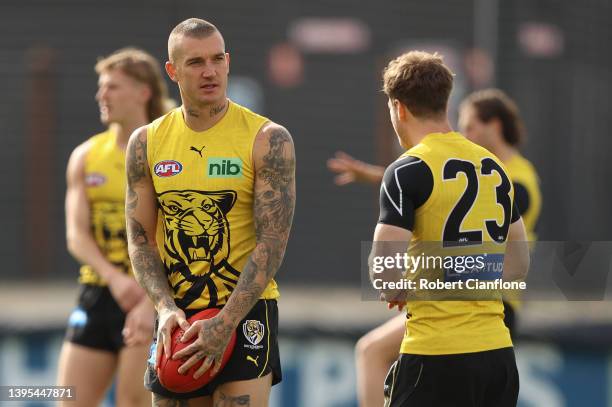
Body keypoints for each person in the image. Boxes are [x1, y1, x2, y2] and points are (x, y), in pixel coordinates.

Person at [330, 88, 541, 407]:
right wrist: (381, 178)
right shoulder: (492, 171)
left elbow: (482, 247)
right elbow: (439, 189)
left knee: (371, 352)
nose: (464, 133)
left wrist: (417, 283)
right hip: (487, 328)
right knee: (372, 351)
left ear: (494, 126)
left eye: (470, 126)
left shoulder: (515, 179)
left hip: (485, 308)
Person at [125, 18, 295, 406]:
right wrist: (165, 308)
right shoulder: (146, 143)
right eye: (196, 62)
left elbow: (273, 241)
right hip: (178, 317)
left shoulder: (268, 139)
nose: (210, 71)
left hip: (246, 311)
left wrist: (227, 322)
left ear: (229, 62)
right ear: (172, 71)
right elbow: (139, 238)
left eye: (217, 59)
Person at [57, 48, 172, 407]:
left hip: (150, 296)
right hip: (99, 292)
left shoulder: (165, 150)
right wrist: (114, 278)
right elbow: (77, 235)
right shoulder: (87, 156)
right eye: (101, 86)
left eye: (112, 87)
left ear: (143, 92)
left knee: (133, 402)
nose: (101, 95)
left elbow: (175, 233)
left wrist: (149, 297)